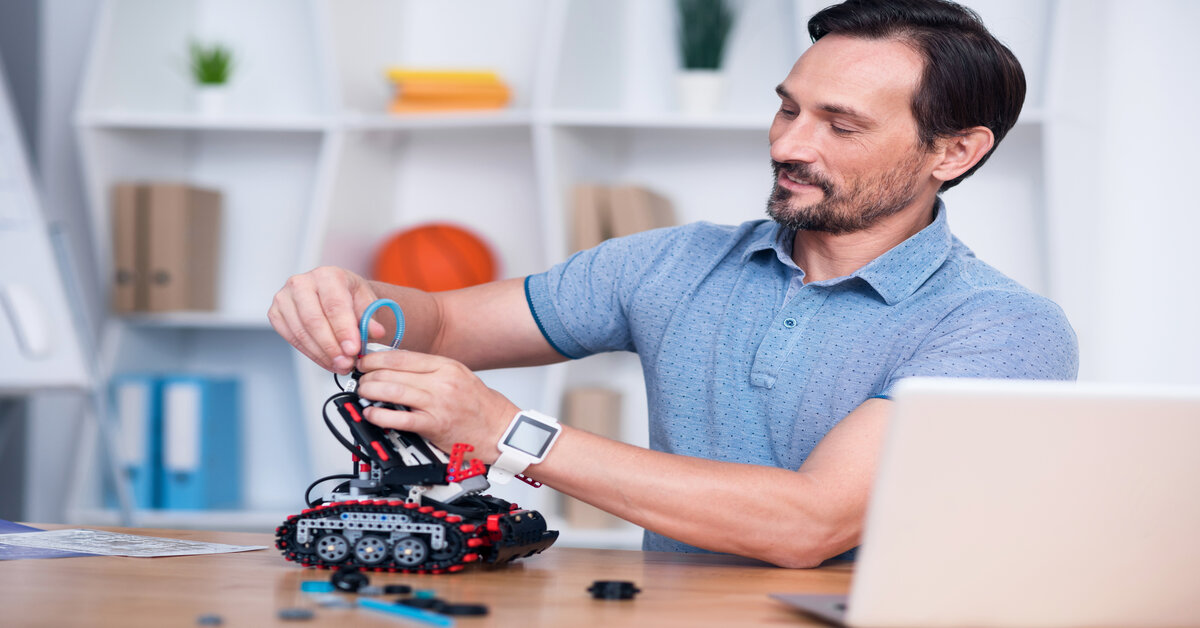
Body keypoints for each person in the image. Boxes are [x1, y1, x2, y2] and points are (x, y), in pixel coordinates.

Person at [268, 0, 1077, 568]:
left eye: (841, 124)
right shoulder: (673, 263)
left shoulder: (1001, 328)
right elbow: (440, 322)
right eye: (787, 109)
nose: (790, 144)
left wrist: (511, 434)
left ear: (955, 153)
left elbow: (809, 524)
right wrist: (355, 303)